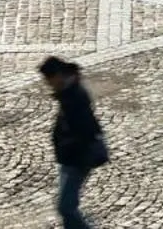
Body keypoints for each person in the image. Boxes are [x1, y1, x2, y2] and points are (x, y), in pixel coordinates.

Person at [39, 56, 108, 229]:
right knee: (66, 205)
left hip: (77, 159)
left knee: (66, 207)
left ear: (58, 75)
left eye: (48, 79)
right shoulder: (68, 92)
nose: (48, 84)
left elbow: (83, 129)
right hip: (69, 157)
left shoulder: (74, 96)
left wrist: (67, 144)